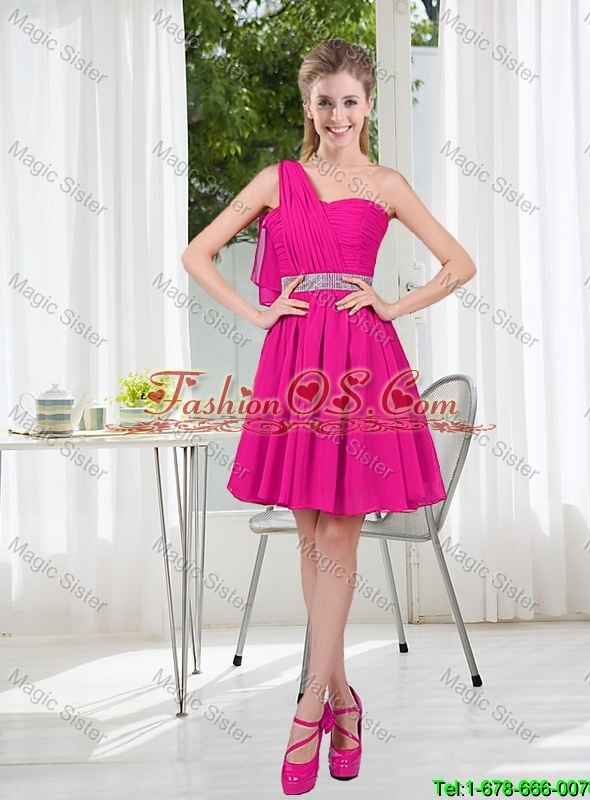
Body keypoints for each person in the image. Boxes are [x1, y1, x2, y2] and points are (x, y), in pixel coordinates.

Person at [182, 38, 476, 796]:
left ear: (368, 105)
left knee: (339, 530)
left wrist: (392, 305)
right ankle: (344, 698)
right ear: (308, 107)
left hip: (362, 360)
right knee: (311, 532)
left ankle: (309, 704)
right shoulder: (276, 182)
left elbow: (460, 264)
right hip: (293, 362)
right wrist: (259, 312)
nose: (337, 115)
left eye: (350, 101)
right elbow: (197, 254)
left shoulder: (386, 184)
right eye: (325, 102)